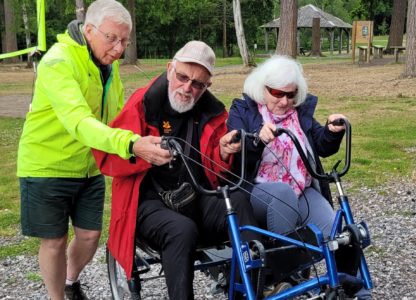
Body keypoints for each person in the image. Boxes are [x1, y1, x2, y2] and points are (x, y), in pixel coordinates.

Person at [17, 1, 170, 299]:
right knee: (55, 241)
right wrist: (130, 144)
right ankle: (56, 296)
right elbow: (79, 121)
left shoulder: (108, 66)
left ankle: (70, 282)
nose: (119, 48)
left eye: (125, 40)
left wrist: (149, 133)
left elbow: (118, 115)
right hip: (46, 166)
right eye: (112, 38)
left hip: (89, 166)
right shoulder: (58, 62)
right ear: (88, 30)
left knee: (89, 236)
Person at [92, 40, 259, 300]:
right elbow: (104, 155)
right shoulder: (142, 104)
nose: (187, 88)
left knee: (237, 201)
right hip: (148, 204)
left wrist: (224, 152)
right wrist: (139, 150)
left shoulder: (211, 111)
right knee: (181, 230)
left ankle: (250, 289)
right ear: (170, 68)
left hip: (195, 196)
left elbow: (214, 163)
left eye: (197, 84)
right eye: (182, 77)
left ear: (207, 86)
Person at [227, 55, 372, 299]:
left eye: (291, 95)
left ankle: (350, 287)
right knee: (283, 195)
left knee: (337, 230)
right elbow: (236, 156)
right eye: (277, 93)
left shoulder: (299, 114)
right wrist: (257, 139)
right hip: (258, 191)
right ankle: (286, 280)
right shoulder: (243, 111)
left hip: (302, 189)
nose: (285, 101)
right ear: (263, 89)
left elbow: (321, 146)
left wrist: (331, 131)